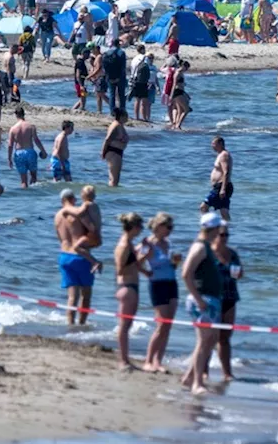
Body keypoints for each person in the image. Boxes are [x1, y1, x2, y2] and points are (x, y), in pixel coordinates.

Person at [180, 212, 226, 395]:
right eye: (218, 229)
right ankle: (197, 383)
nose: (220, 233)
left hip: (210, 299)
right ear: (212, 229)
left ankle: (189, 376)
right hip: (202, 300)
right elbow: (186, 273)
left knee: (211, 340)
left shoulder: (206, 246)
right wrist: (198, 299)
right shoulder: (199, 247)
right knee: (203, 341)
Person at [56, 187, 103, 326]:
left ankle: (70, 324)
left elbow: (60, 237)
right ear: (71, 199)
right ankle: (81, 325)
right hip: (80, 257)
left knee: (72, 297)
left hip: (64, 256)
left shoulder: (57, 216)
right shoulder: (73, 212)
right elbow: (91, 229)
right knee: (85, 295)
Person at [142, 212, 180, 374]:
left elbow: (172, 267)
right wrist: (147, 273)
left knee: (168, 325)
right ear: (158, 226)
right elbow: (136, 261)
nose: (170, 230)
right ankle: (148, 360)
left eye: (172, 227)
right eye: (168, 227)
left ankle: (158, 361)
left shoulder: (168, 243)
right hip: (157, 284)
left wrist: (175, 262)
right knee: (161, 324)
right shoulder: (148, 244)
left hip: (172, 283)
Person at [113, 212, 145, 370]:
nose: (142, 229)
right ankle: (123, 360)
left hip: (131, 286)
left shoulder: (130, 243)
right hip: (126, 287)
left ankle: (125, 358)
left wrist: (141, 252)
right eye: (140, 226)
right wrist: (138, 258)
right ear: (133, 227)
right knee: (124, 327)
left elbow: (133, 262)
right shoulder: (124, 244)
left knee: (127, 325)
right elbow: (120, 269)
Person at [213, 223, 243, 381]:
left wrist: (238, 274)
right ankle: (203, 370)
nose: (224, 238)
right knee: (210, 337)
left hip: (230, 296)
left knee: (225, 336)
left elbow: (240, 272)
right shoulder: (209, 252)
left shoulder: (232, 253)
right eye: (221, 235)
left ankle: (227, 373)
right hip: (213, 298)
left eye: (226, 235)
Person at [6, 106, 46, 189]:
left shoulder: (13, 129)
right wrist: (43, 151)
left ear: (16, 115)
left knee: (23, 181)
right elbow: (36, 140)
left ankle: (24, 198)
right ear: (24, 114)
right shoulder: (31, 126)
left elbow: (10, 145)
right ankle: (33, 195)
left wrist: (9, 158)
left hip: (19, 153)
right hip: (30, 152)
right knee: (34, 177)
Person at [202, 136, 233, 221]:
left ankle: (208, 225)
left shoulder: (224, 155)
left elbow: (226, 172)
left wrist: (222, 189)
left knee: (203, 207)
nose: (212, 146)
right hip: (220, 186)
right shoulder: (220, 155)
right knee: (223, 211)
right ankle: (227, 228)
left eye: (213, 144)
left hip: (221, 186)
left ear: (220, 144)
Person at [101, 108, 130, 187]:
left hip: (117, 152)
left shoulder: (120, 125)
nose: (127, 118)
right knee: (114, 179)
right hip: (113, 152)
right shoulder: (116, 125)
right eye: (126, 116)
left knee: (115, 178)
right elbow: (107, 139)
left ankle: (114, 196)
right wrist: (103, 152)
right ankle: (112, 196)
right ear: (121, 117)